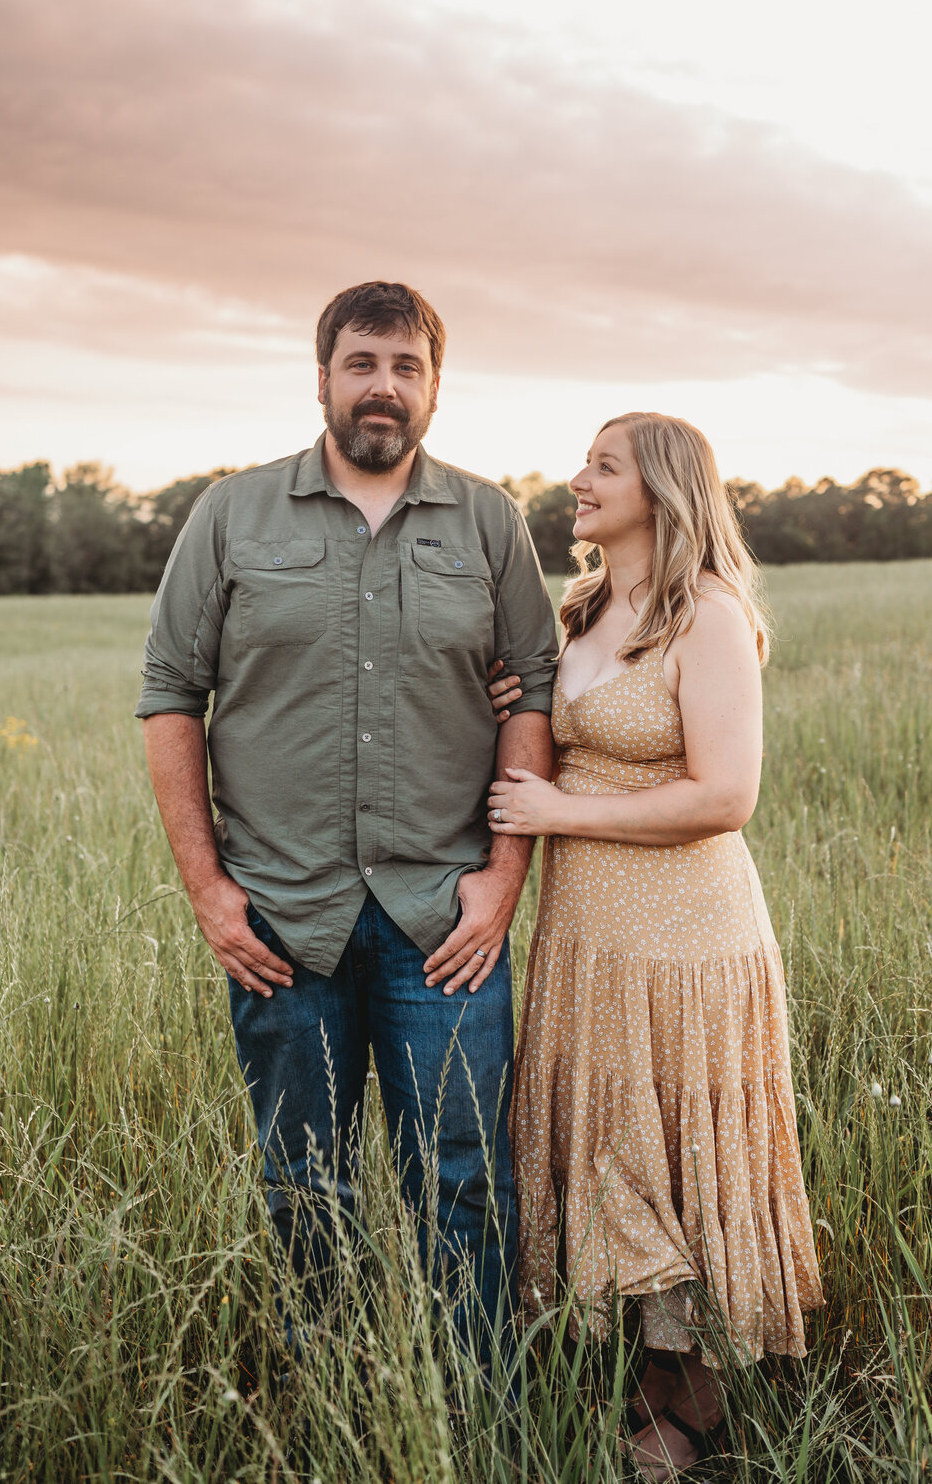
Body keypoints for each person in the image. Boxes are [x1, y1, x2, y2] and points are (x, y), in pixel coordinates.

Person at [136, 280, 558, 1354]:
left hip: (443, 922)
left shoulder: (490, 521)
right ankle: (333, 1415)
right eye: (362, 364)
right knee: (301, 1188)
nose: (383, 387)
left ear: (434, 386)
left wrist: (504, 877)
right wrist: (208, 891)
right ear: (321, 377)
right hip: (281, 917)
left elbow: (537, 693)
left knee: (461, 1181)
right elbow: (171, 693)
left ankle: (480, 1425)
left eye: (406, 367)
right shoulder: (232, 515)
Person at [486, 411, 823, 1478]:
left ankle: (699, 1406)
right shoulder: (582, 610)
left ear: (663, 491)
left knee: (681, 1154)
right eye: (584, 461)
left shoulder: (707, 615)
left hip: (688, 937)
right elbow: (555, 744)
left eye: (602, 466)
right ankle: (644, 1372)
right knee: (612, 1149)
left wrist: (557, 816)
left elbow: (726, 794)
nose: (576, 479)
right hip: (589, 939)